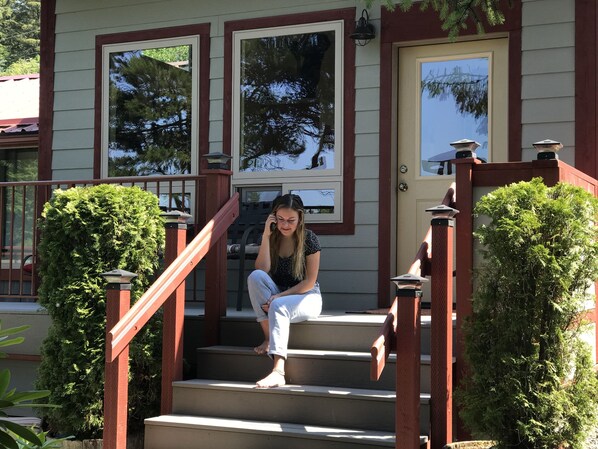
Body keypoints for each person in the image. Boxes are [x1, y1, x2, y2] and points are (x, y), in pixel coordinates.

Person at [247, 194, 322, 388]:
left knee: (279, 305)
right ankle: (268, 338)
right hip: (278, 294)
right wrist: (265, 235)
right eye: (280, 220)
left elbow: (309, 281)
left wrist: (278, 297)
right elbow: (262, 269)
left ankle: (278, 371)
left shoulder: (309, 239)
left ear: (300, 219)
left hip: (308, 296)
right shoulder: (272, 238)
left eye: (291, 220)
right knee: (254, 277)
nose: (285, 225)